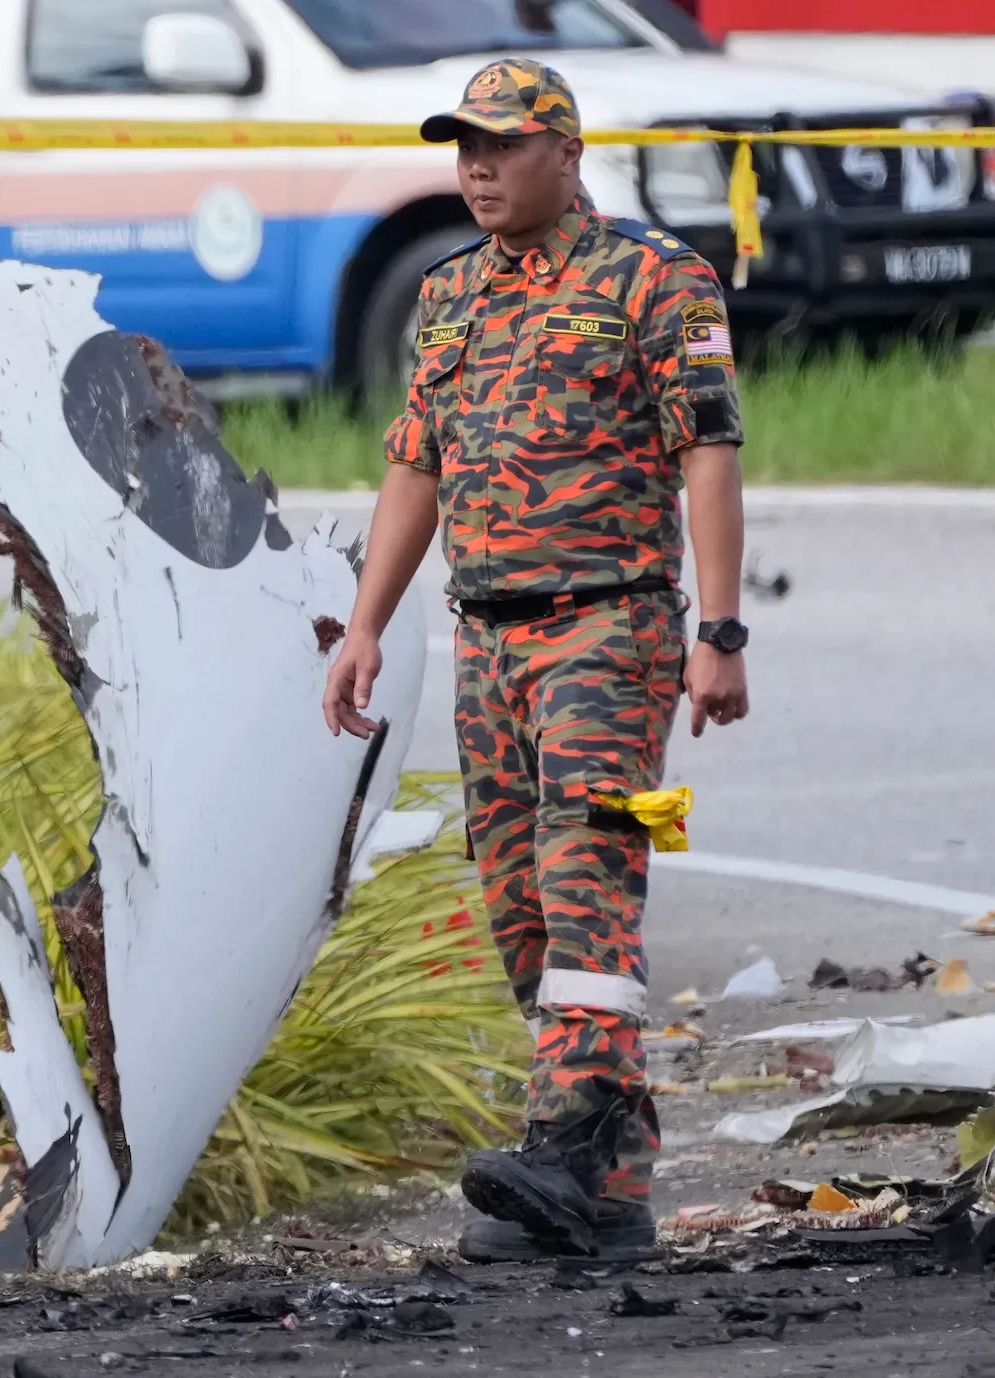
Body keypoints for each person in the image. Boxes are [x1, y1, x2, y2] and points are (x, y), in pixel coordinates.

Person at [321, 58, 751, 1263]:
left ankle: (565, 1136)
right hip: (488, 633)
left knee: (590, 873)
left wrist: (719, 631)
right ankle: (606, 1188)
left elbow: (707, 453)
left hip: (611, 627)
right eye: (464, 146)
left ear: (566, 153)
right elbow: (416, 463)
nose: (477, 167)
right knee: (515, 898)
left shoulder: (656, 280)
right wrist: (365, 624)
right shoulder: (450, 295)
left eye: (503, 146)